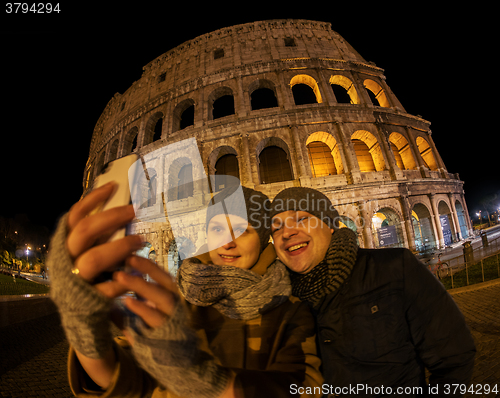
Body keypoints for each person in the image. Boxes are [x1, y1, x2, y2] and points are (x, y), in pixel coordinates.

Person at [47, 182, 322, 398]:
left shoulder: (289, 309)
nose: (226, 243)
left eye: (242, 230)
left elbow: (304, 388)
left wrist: (203, 379)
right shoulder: (177, 298)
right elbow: (119, 376)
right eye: (217, 229)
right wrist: (81, 322)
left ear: (262, 240)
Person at [269, 187, 475, 397]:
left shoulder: (395, 269)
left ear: (330, 225)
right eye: (276, 228)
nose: (286, 233)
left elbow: (454, 358)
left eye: (302, 219)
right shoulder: (278, 302)